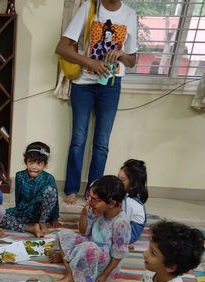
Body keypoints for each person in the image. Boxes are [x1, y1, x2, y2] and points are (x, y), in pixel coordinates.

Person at [55, 0, 137, 204]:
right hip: (84, 84)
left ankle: (95, 191)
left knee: (102, 143)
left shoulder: (129, 15)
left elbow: (132, 61)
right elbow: (62, 48)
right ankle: (71, 189)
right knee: (78, 139)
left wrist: (122, 54)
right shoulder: (89, 8)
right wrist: (90, 62)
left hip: (111, 85)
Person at [51, 175, 130, 282]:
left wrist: (104, 275)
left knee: (89, 248)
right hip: (89, 245)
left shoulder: (121, 223)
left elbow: (118, 255)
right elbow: (84, 232)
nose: (90, 202)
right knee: (63, 235)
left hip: (104, 260)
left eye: (94, 199)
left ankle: (72, 273)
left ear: (111, 204)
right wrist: (84, 214)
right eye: (89, 197)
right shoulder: (97, 210)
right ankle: (70, 269)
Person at [0, 142, 61, 238]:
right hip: (25, 212)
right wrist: (18, 211)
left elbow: (54, 199)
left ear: (45, 164)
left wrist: (55, 218)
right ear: (26, 162)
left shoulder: (49, 178)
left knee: (50, 190)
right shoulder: (20, 176)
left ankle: (42, 223)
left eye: (39, 163)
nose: (34, 167)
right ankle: (30, 228)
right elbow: (18, 197)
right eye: (31, 162)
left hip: (42, 214)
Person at [118, 159, 148, 244]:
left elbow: (122, 221)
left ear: (133, 184)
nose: (118, 183)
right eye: (118, 178)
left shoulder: (129, 202)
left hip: (129, 235)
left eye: (122, 180)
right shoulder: (127, 196)